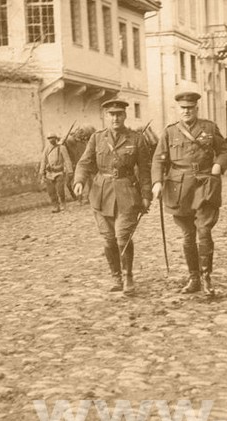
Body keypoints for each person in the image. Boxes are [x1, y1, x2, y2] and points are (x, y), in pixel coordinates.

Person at [151, 92, 227, 295]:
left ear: (196, 109)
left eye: (190, 108)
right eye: (183, 108)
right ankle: (193, 277)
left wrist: (218, 166)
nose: (186, 111)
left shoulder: (209, 128)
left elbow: (225, 151)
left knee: (204, 231)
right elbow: (159, 160)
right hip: (180, 189)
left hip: (205, 184)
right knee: (188, 236)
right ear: (178, 110)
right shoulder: (169, 132)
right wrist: (158, 182)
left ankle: (206, 278)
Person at [73, 97, 152, 293]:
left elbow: (144, 169)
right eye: (111, 114)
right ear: (105, 116)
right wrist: (79, 181)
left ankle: (128, 276)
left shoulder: (136, 139)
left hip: (127, 192)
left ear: (125, 115)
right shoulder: (97, 138)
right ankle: (116, 277)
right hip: (101, 193)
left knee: (122, 236)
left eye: (119, 114)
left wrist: (146, 194)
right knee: (109, 239)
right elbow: (85, 162)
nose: (115, 118)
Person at [39, 132, 73, 213]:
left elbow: (67, 160)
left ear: (56, 139)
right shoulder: (47, 149)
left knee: (60, 190)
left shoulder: (62, 148)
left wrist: (70, 171)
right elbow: (43, 160)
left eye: (52, 138)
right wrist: (42, 172)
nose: (51, 140)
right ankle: (55, 206)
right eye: (49, 138)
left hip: (59, 172)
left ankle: (63, 204)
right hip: (49, 173)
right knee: (51, 191)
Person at [66, 125, 96, 204]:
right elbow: (68, 141)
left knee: (90, 182)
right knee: (78, 182)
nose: (83, 138)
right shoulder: (74, 142)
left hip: (91, 165)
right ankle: (79, 198)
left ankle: (89, 198)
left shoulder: (90, 142)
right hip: (79, 165)